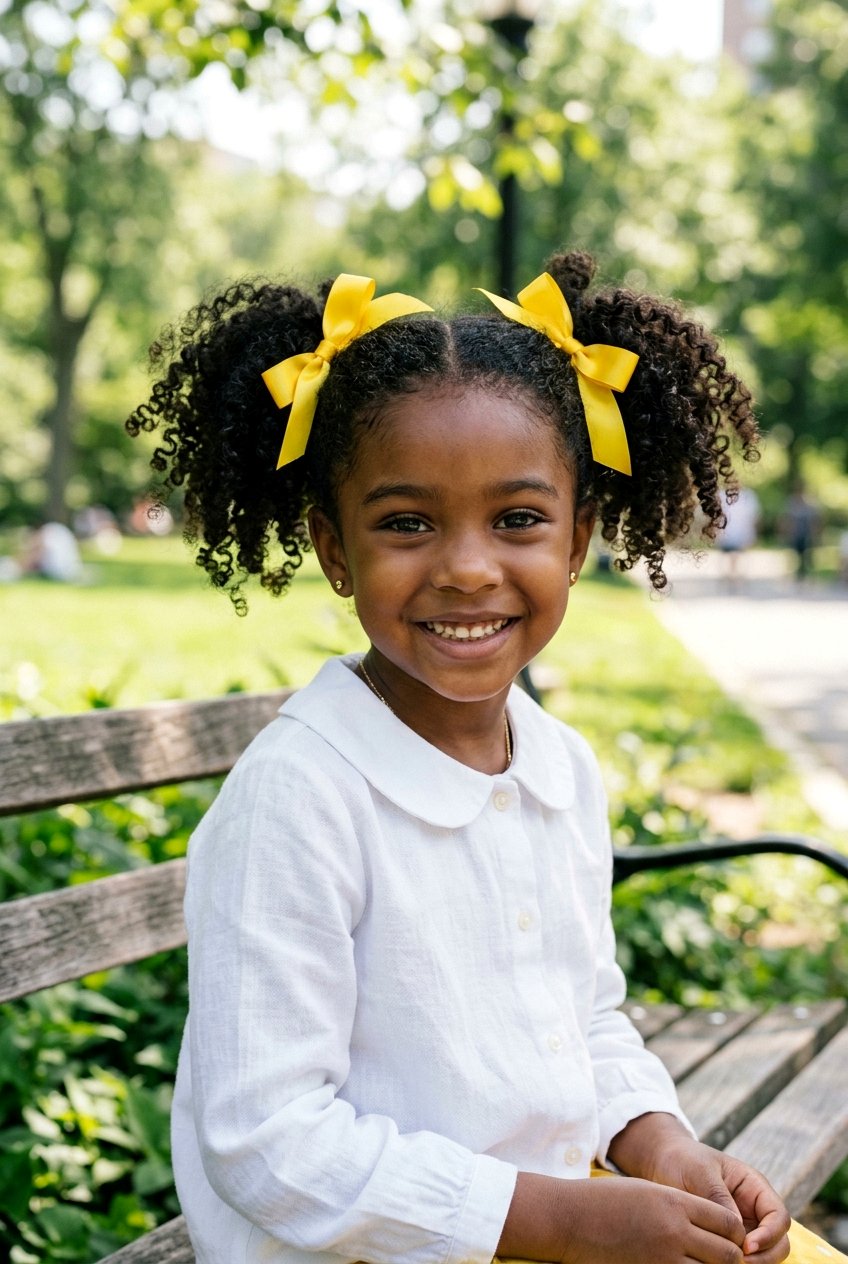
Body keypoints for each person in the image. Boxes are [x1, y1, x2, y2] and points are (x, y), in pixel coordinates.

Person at [127, 254, 802, 1264]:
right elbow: (265, 1143)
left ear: (576, 541)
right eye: (406, 524)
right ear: (334, 549)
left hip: (543, 1218)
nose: (469, 567)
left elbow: (584, 1018)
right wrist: (564, 1221)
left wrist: (660, 1144)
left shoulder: (559, 766)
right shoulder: (298, 797)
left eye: (517, 519)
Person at [718, 486, 759, 587]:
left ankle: (735, 577)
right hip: (727, 532)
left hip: (742, 532)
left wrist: (752, 533)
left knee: (738, 556)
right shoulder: (722, 495)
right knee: (729, 556)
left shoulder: (748, 496)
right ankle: (732, 577)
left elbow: (754, 517)